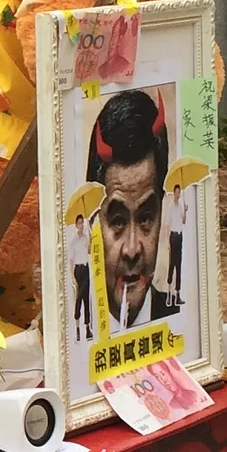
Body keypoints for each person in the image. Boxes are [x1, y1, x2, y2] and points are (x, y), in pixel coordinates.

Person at [86, 90, 177, 333]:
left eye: (146, 218)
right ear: (93, 220)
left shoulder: (181, 322)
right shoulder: (73, 331)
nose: (132, 249)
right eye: (117, 222)